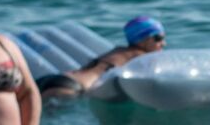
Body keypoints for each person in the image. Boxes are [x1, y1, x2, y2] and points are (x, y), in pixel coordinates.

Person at [34, 16, 167, 99]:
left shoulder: (118, 50)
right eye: (158, 38)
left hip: (56, 78)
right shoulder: (141, 57)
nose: (163, 43)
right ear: (143, 39)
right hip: (72, 88)